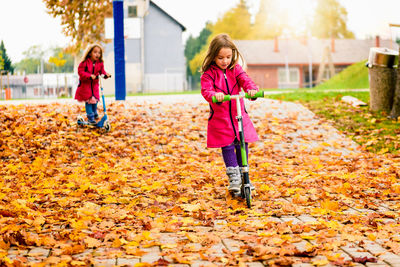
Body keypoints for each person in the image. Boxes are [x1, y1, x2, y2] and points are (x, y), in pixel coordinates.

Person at [200, 33, 259, 194]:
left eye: (228, 57)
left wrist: (251, 90)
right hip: (221, 118)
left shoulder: (235, 70)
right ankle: (234, 176)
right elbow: (206, 90)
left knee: (242, 142)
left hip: (238, 115)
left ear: (233, 54)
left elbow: (245, 80)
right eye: (220, 58)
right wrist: (214, 95)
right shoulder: (209, 74)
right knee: (227, 145)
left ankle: (244, 174)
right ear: (213, 57)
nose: (225, 61)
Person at [75, 44, 111, 124]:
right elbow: (80, 72)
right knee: (89, 102)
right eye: (95, 52)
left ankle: (94, 113)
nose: (97, 54)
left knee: (95, 101)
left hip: (94, 86)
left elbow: (102, 72)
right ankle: (90, 117)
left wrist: (106, 75)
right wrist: (89, 76)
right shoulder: (84, 63)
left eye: (99, 53)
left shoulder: (100, 63)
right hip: (86, 86)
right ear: (90, 53)